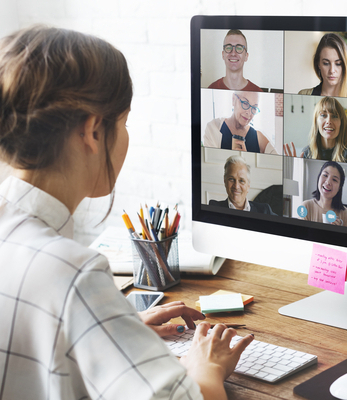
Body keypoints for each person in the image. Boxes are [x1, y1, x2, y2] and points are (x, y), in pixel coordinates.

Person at [0, 26, 254, 400]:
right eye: (124, 122)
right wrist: (208, 366)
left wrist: (112, 329)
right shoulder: (74, 274)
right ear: (92, 130)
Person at [284, 97, 347, 164]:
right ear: (316, 121)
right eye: (323, 115)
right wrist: (293, 171)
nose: (329, 121)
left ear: (341, 123)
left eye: (335, 116)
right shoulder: (307, 153)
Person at [204, 91, 277, 154]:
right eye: (245, 103)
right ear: (233, 99)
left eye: (254, 108)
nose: (249, 112)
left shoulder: (259, 138)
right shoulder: (213, 128)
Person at [298, 33, 347, 98]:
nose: (332, 70)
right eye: (326, 63)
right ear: (318, 64)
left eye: (338, 63)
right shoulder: (304, 95)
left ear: (345, 66)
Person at [209, 155, 276, 214]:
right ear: (225, 181)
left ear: (248, 185)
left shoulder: (264, 210)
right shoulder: (214, 207)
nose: (236, 186)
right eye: (231, 179)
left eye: (241, 181)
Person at [300, 161, 347, 227]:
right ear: (319, 178)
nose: (328, 182)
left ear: (339, 187)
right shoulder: (306, 206)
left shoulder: (344, 213)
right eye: (325, 175)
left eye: (334, 180)